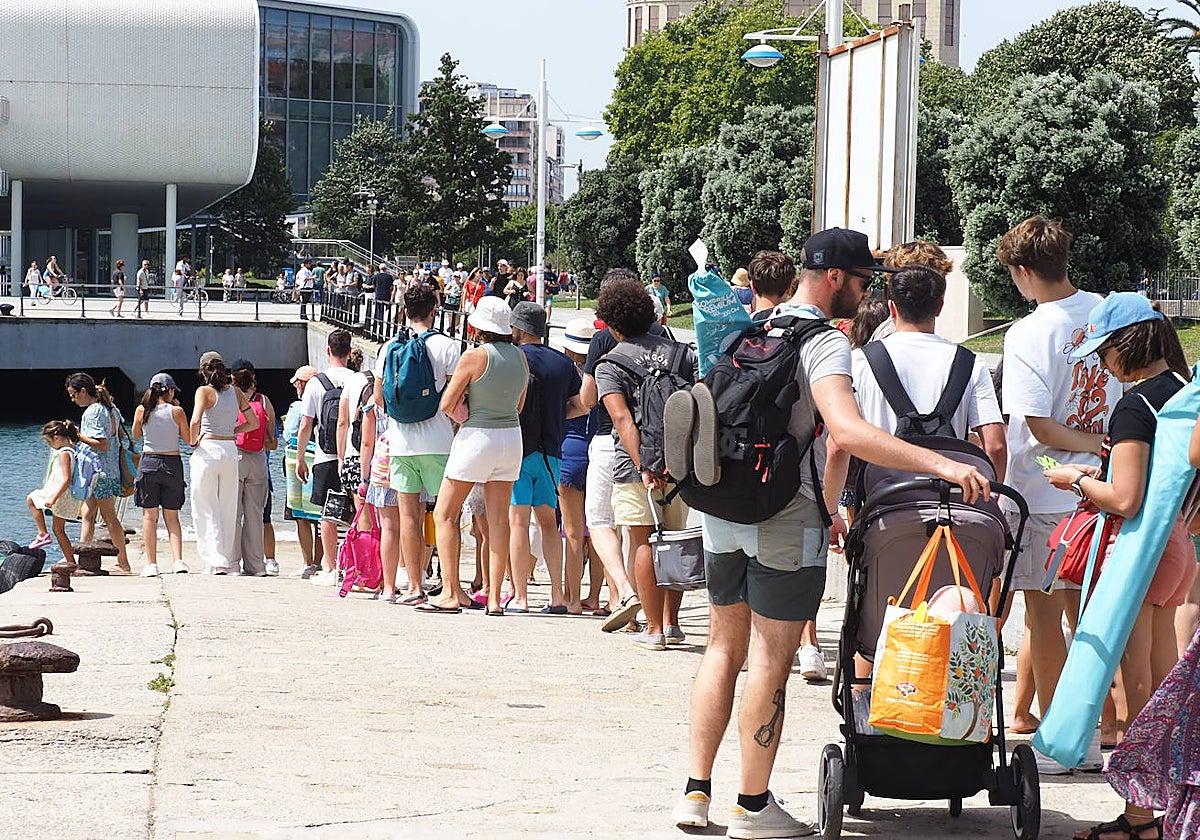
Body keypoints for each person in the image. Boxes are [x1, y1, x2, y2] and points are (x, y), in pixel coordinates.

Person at [673, 232, 991, 836]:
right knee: (771, 656)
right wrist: (946, 464)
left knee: (722, 647)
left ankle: (695, 792)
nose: (870, 290)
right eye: (865, 280)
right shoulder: (824, 344)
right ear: (837, 278)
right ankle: (752, 803)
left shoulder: (747, 326)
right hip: (784, 517)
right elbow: (846, 433)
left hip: (721, 509)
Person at [1043, 293, 1198, 840]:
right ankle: (1167, 808)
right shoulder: (1183, 391)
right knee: (1162, 684)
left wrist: (1076, 480)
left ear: (1126, 344)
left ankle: (1139, 819)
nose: (1102, 364)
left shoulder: (1134, 406)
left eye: (1104, 351)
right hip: (1179, 545)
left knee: (1138, 693)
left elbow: (1126, 497)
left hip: (1140, 551)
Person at [996, 216, 1122, 773]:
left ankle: (1062, 738)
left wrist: (1087, 446)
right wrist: (1108, 445)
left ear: (1023, 273)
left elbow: (1038, 428)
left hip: (1046, 491)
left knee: (1042, 621)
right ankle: (1098, 729)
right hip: (1109, 488)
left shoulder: (1027, 332)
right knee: (1093, 619)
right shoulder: (1110, 312)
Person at [593, 277, 696, 649]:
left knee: (642, 542)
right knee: (674, 540)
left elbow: (622, 420)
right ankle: (672, 623)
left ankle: (652, 629)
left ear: (611, 323)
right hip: (679, 464)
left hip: (635, 466)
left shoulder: (611, 363)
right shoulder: (679, 352)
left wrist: (643, 465)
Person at [423, 297, 528, 615]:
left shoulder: (474, 356)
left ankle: (452, 592)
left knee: (445, 514)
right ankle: (495, 599)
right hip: (511, 438)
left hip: (477, 438)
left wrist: (466, 408)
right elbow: (519, 406)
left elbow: (446, 405)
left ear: (478, 326)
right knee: (499, 521)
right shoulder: (521, 358)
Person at [372, 286, 461, 605]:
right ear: (434, 310)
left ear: (404, 311)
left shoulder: (389, 348)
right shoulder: (446, 346)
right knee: (446, 516)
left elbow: (379, 398)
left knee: (407, 516)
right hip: (438, 442)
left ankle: (413, 587)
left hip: (401, 443)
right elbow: (458, 397)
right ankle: (452, 586)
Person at [507, 302, 586, 613]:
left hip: (517, 449)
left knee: (517, 522)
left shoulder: (513, 359)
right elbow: (582, 404)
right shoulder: (562, 363)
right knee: (549, 525)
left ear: (520, 329)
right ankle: (557, 595)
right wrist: (557, 416)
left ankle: (521, 595)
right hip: (552, 452)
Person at [189, 352, 258, 575]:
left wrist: (192, 440)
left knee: (205, 505)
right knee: (228, 507)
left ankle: (214, 559)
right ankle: (228, 562)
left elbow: (196, 420)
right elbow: (253, 422)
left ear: (202, 371)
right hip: (230, 450)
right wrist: (233, 431)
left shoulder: (204, 391)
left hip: (208, 450)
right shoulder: (236, 392)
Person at [295, 329, 354, 585]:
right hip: (352, 456)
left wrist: (299, 458)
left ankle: (331, 568)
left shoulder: (316, 383)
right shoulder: (358, 379)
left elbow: (306, 424)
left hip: (325, 455)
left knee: (327, 516)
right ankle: (353, 565)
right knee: (356, 514)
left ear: (327, 351)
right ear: (350, 353)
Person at [555, 319, 602, 614]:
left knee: (572, 531)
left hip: (570, 449)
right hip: (597, 449)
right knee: (599, 528)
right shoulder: (601, 373)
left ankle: (572, 599)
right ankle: (595, 597)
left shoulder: (564, 375)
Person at [66, 373, 132, 574]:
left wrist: (77, 436)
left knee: (109, 518)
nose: (72, 399)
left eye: (73, 395)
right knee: (87, 513)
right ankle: (82, 559)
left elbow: (101, 444)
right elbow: (119, 435)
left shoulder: (93, 412)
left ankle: (123, 562)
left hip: (99, 472)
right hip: (108, 470)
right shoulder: (111, 409)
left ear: (83, 391)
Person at [130, 373, 191, 576]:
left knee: (149, 516)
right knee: (172, 516)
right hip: (172, 463)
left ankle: (151, 564)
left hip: (149, 462)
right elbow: (188, 438)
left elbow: (136, 435)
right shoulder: (177, 411)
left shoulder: (142, 410)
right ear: (171, 391)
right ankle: (178, 561)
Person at [231, 359, 276, 577]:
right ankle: (256, 565)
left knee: (234, 513)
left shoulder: (230, 398)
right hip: (259, 460)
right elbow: (272, 441)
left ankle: (232, 564)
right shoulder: (265, 401)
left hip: (236, 457)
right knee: (255, 515)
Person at [284, 365, 324, 577]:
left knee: (300, 515)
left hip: (298, 461)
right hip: (321, 459)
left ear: (301, 383)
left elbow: (290, 433)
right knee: (321, 516)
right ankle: (319, 562)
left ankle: (307, 561)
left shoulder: (298, 407)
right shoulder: (324, 401)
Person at [25, 419, 80, 563]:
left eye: (49, 442)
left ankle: (43, 534)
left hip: (61, 494)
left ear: (56, 438)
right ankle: (70, 562)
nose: (50, 446)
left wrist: (54, 498)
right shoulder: (73, 448)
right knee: (58, 530)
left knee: (31, 499)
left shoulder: (63, 453)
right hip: (64, 494)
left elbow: (66, 478)